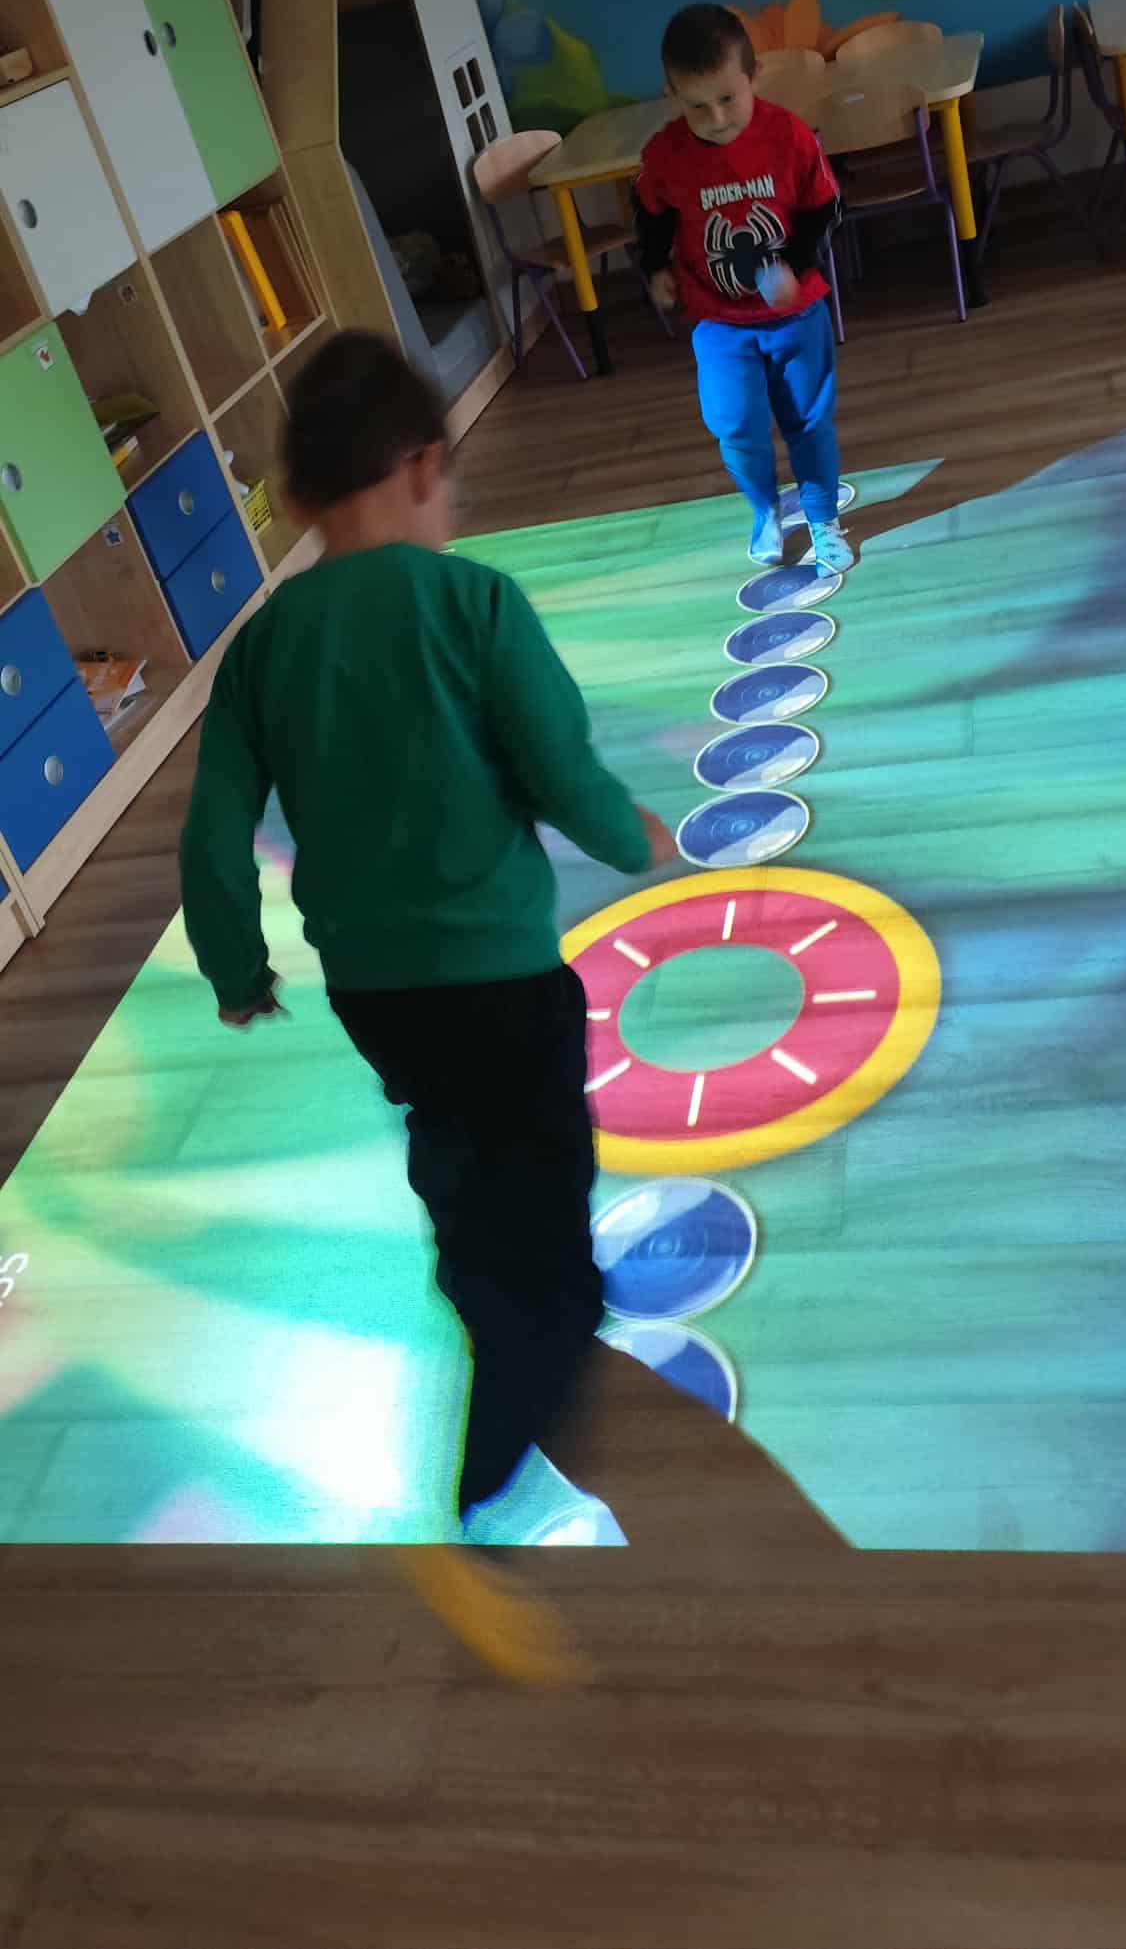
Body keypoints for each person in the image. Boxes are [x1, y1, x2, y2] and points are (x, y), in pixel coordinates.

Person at [179, 331, 676, 1680]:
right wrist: (633, 838)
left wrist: (238, 975)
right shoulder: (474, 604)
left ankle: (473, 1266)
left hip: (377, 997)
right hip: (503, 979)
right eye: (445, 481)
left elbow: (211, 844)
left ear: (297, 498)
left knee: (451, 1141)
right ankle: (481, 1504)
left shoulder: (262, 650)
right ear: (419, 466)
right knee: (547, 1226)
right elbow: (560, 767)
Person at [634, 3, 852, 574]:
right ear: (672, 94)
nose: (716, 118)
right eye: (696, 105)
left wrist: (796, 265)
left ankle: (822, 516)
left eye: (729, 98)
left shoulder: (788, 135)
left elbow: (827, 206)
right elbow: (651, 216)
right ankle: (764, 509)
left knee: (808, 420)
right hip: (718, 321)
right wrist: (654, 267)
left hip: (796, 315)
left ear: (754, 75)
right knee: (735, 424)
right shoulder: (663, 155)